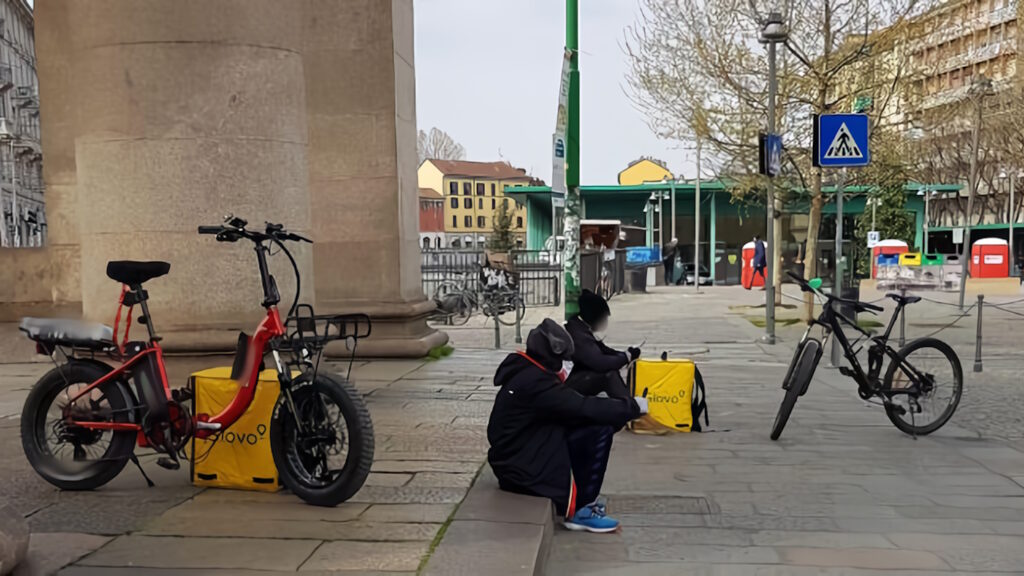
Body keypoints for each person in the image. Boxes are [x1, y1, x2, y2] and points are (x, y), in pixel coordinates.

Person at [487, 318, 647, 533]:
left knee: (591, 420)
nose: (567, 364)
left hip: (517, 455)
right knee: (598, 430)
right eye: (564, 359)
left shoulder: (528, 371)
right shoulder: (536, 382)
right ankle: (582, 507)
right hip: (520, 468)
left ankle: (581, 497)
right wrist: (633, 407)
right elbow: (582, 406)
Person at [564, 290, 639, 401]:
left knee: (610, 373)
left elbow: (603, 350)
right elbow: (600, 362)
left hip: (573, 379)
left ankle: (630, 405)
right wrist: (625, 357)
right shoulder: (578, 335)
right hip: (566, 386)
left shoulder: (580, 328)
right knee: (608, 375)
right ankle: (632, 408)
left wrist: (625, 354)